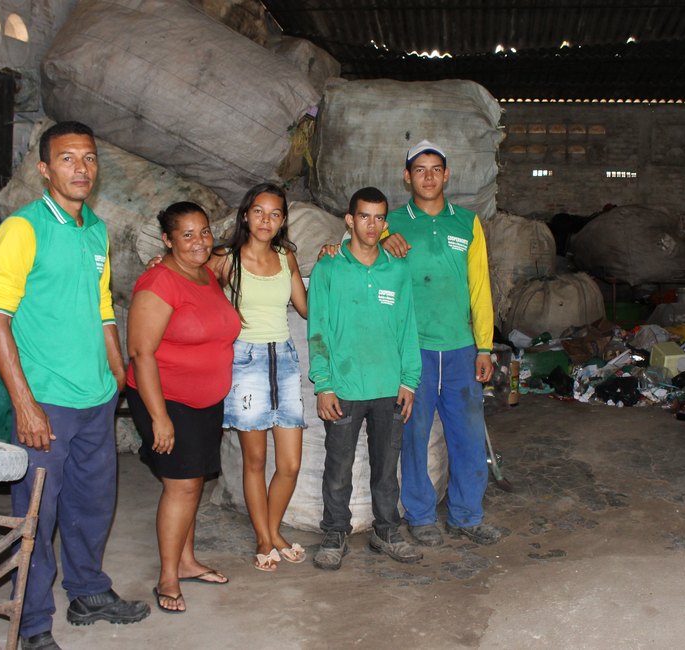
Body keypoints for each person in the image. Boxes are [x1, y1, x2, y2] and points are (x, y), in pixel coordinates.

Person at [0, 121, 149, 650]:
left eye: (89, 158)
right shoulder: (23, 229)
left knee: (92, 503)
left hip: (95, 397)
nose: (81, 168)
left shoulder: (95, 230)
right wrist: (26, 406)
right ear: (44, 169)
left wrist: (117, 372)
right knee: (35, 513)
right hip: (46, 402)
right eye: (68, 159)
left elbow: (103, 309)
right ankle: (31, 624)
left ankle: (87, 592)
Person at [381, 140, 503, 547]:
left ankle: (467, 516)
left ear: (447, 175)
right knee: (413, 435)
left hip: (459, 349)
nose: (429, 176)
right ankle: (419, 515)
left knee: (467, 434)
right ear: (407, 176)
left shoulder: (467, 223)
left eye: (436, 169)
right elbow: (357, 254)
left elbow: (480, 288)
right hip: (412, 351)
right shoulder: (390, 223)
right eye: (420, 169)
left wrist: (484, 346)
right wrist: (380, 240)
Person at [125, 202, 240, 614]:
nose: (199, 241)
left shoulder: (206, 272)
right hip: (167, 399)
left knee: (193, 484)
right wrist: (159, 418)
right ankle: (168, 577)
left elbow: (248, 247)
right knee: (182, 486)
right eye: (187, 235)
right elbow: (141, 353)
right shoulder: (159, 282)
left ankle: (188, 562)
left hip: (205, 401)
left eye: (204, 232)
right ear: (167, 240)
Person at [308, 187, 423, 570]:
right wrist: (323, 384)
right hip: (344, 388)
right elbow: (319, 329)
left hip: (389, 388)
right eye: (364, 217)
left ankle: (386, 531)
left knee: (386, 469)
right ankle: (335, 532)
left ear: (385, 223)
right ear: (349, 220)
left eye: (378, 218)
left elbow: (408, 328)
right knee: (338, 468)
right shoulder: (329, 267)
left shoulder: (397, 269)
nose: (371, 226)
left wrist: (408, 381)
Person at [209, 183, 309, 571]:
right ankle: (266, 538)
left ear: (283, 220)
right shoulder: (225, 258)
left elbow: (305, 308)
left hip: (283, 360)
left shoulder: (286, 258)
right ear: (246, 214)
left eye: (275, 214)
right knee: (255, 461)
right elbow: (189, 277)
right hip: (245, 361)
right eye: (259, 212)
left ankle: (272, 529)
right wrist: (159, 261)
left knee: (290, 464)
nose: (266, 220)